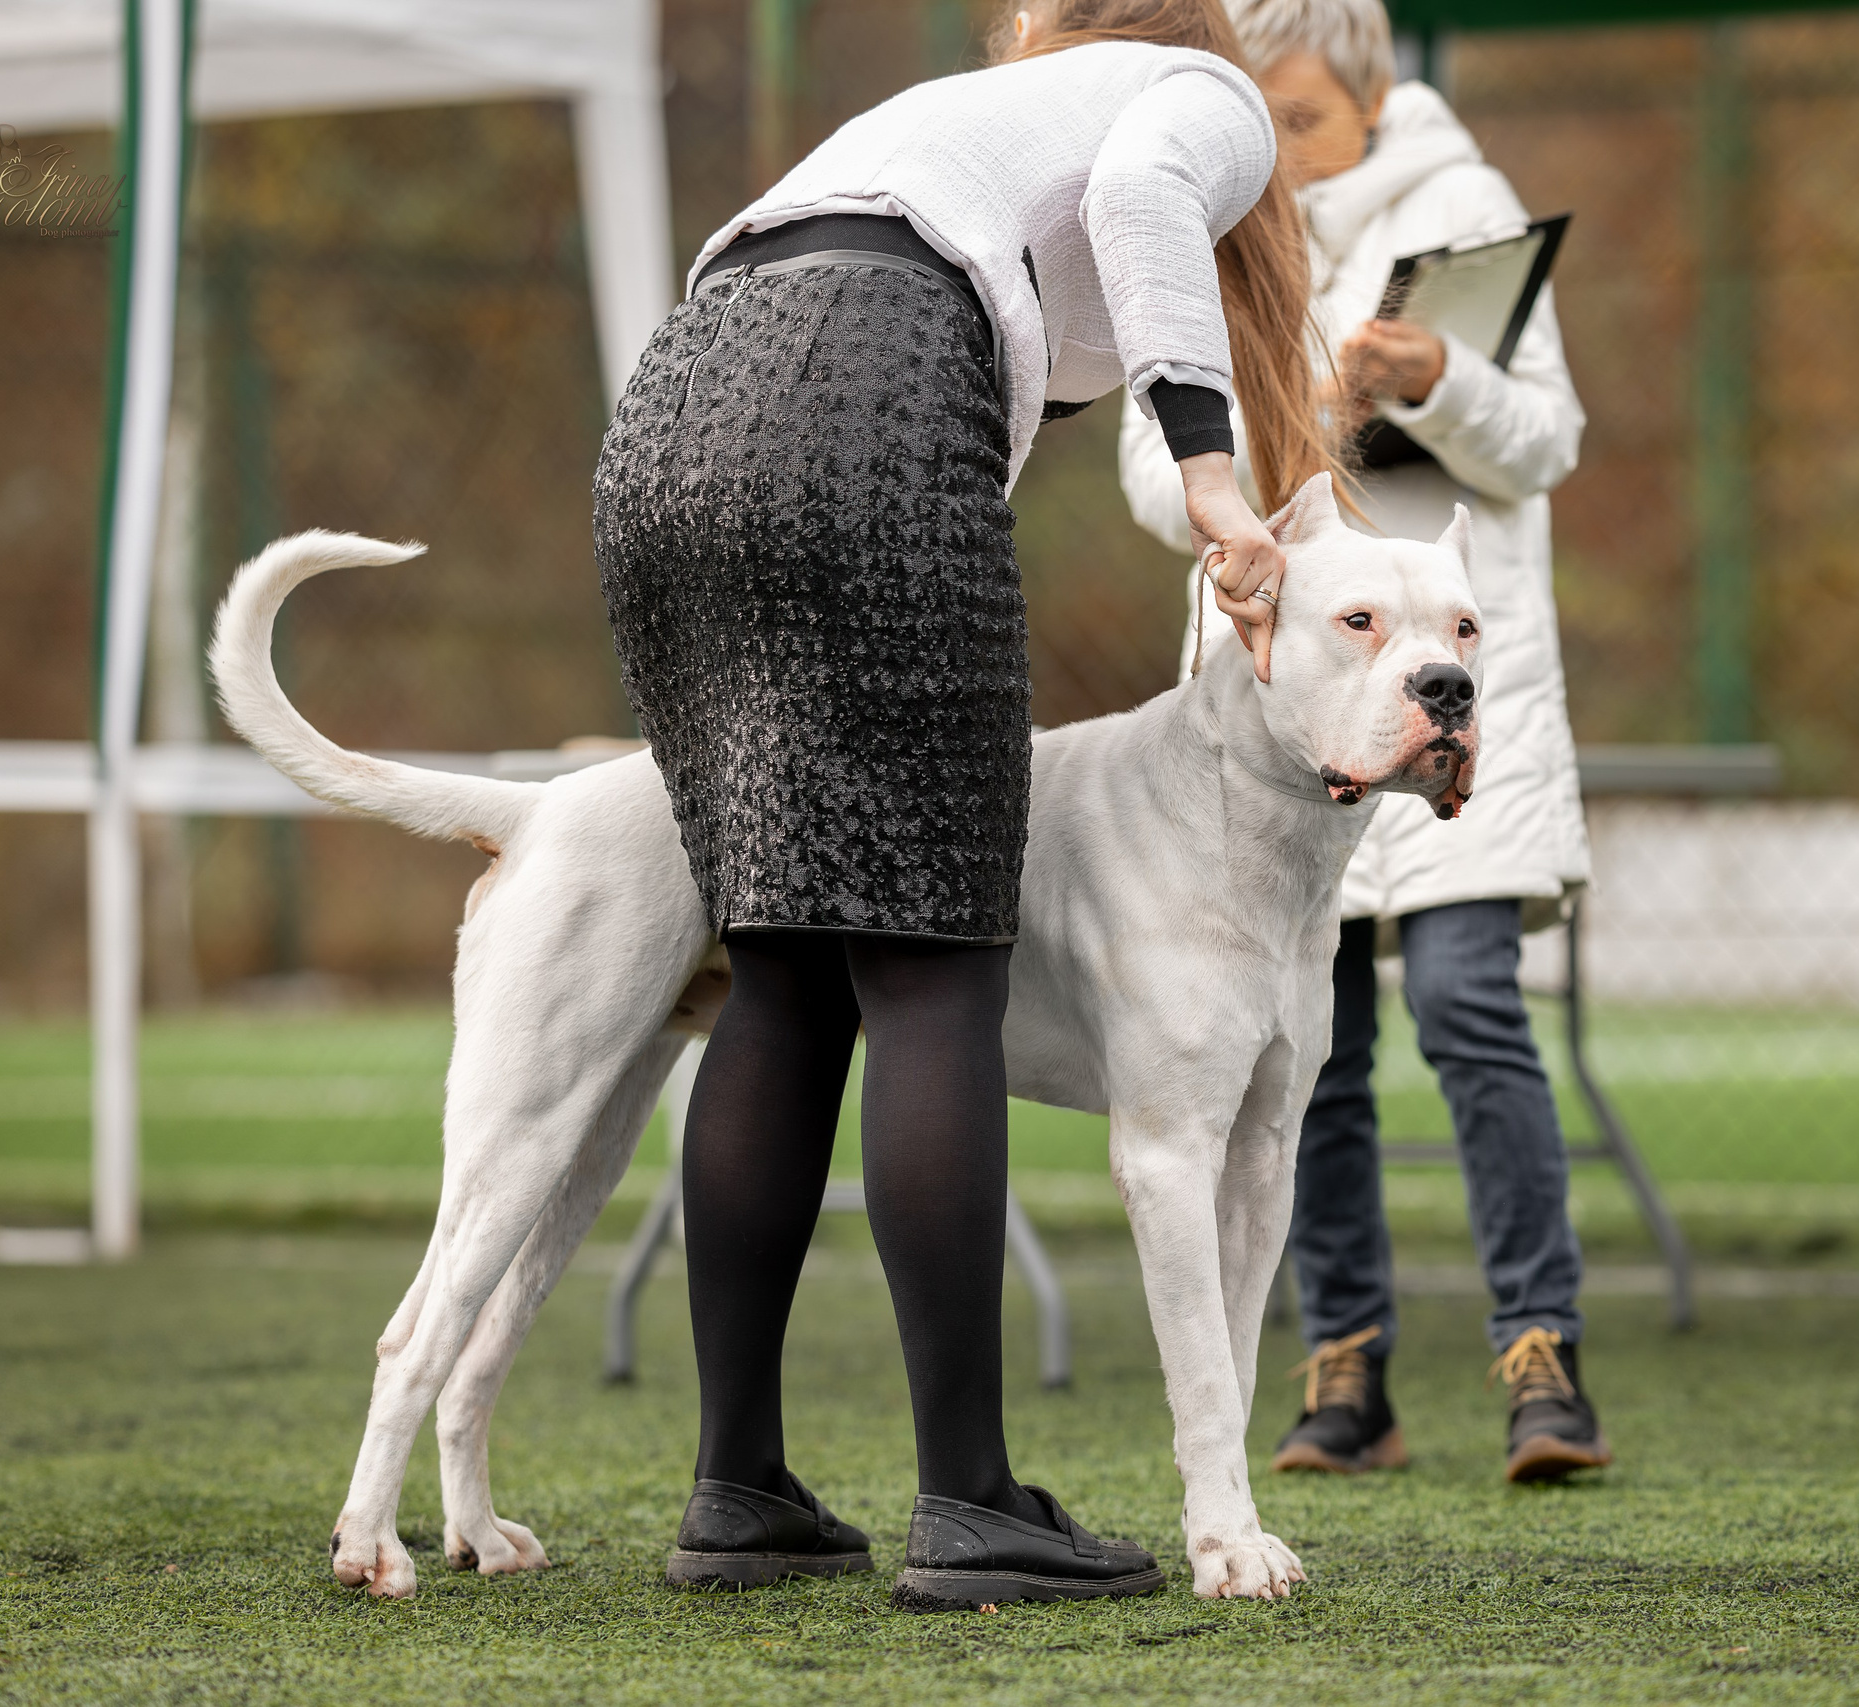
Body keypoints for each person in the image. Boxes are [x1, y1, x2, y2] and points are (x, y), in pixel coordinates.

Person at [593, 0, 1333, 1606]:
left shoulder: (965, 127)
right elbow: (1148, 201)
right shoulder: (1200, 94)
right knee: (930, 961)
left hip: (675, 410)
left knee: (784, 964)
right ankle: (972, 1503)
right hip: (861, 398)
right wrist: (1215, 476)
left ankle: (739, 1492)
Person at [1117, 0, 1605, 1484]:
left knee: (1470, 1012)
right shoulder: (1212, 234)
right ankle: (1348, 1376)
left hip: (1447, 689)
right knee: (1301, 1055)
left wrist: (1435, 386)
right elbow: (1155, 478)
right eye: (1259, 120)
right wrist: (1299, 425)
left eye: (1307, 118)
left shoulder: (1466, 210)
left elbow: (1550, 444)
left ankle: (1542, 1363)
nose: (1283, 148)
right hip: (1279, 723)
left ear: (1373, 93)